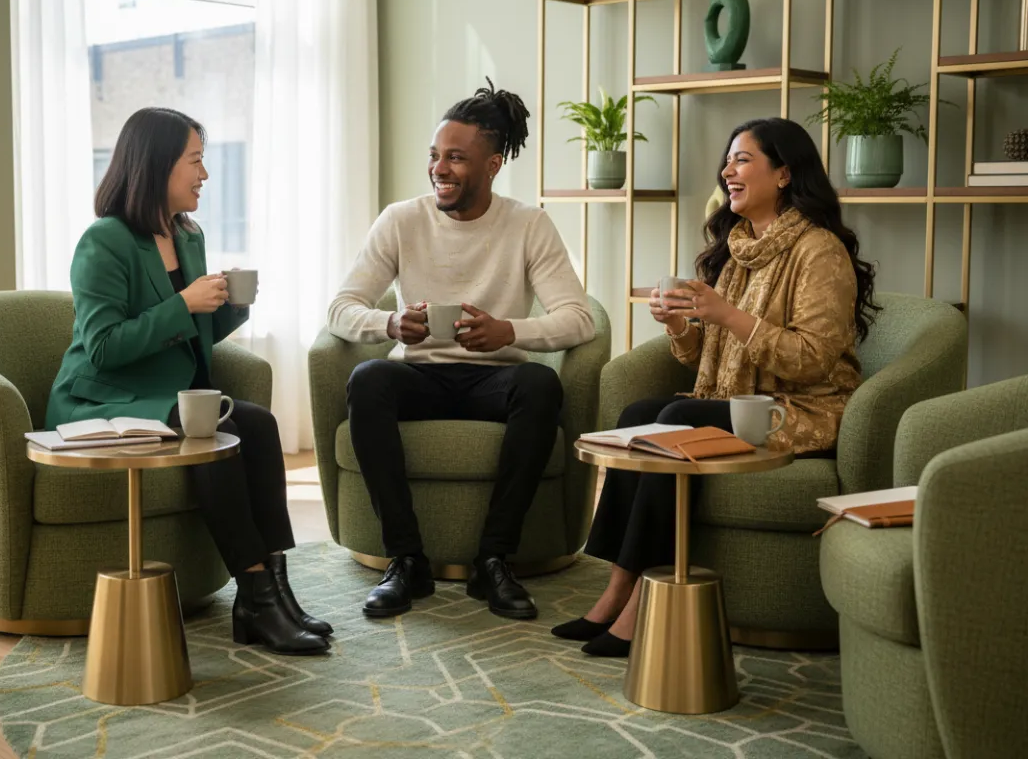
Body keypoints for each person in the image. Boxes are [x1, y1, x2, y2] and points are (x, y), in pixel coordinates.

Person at [552, 117, 879, 656]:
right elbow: (706, 357)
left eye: (742, 159)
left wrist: (726, 314)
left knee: (677, 421)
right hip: (740, 403)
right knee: (638, 414)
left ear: (783, 174)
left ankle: (639, 607)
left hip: (801, 409)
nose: (727, 170)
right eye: (727, 161)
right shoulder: (739, 248)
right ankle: (615, 592)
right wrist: (680, 325)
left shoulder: (819, 251)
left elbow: (813, 360)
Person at [45, 107, 330, 656]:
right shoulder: (104, 241)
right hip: (104, 399)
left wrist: (231, 305)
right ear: (157, 165)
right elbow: (103, 348)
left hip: (167, 397)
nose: (205, 174)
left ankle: (274, 592)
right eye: (195, 161)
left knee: (258, 424)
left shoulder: (186, 235)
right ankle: (256, 593)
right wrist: (184, 302)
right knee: (211, 435)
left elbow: (191, 336)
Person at [327, 79, 596, 620]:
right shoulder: (401, 220)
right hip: (420, 377)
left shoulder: (528, 224)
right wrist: (391, 323)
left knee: (539, 384)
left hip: (495, 381)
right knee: (369, 380)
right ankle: (406, 560)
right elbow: (340, 307)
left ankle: (493, 561)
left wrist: (509, 332)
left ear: (493, 165)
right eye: (434, 156)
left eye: (455, 158)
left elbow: (579, 317)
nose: (439, 169)